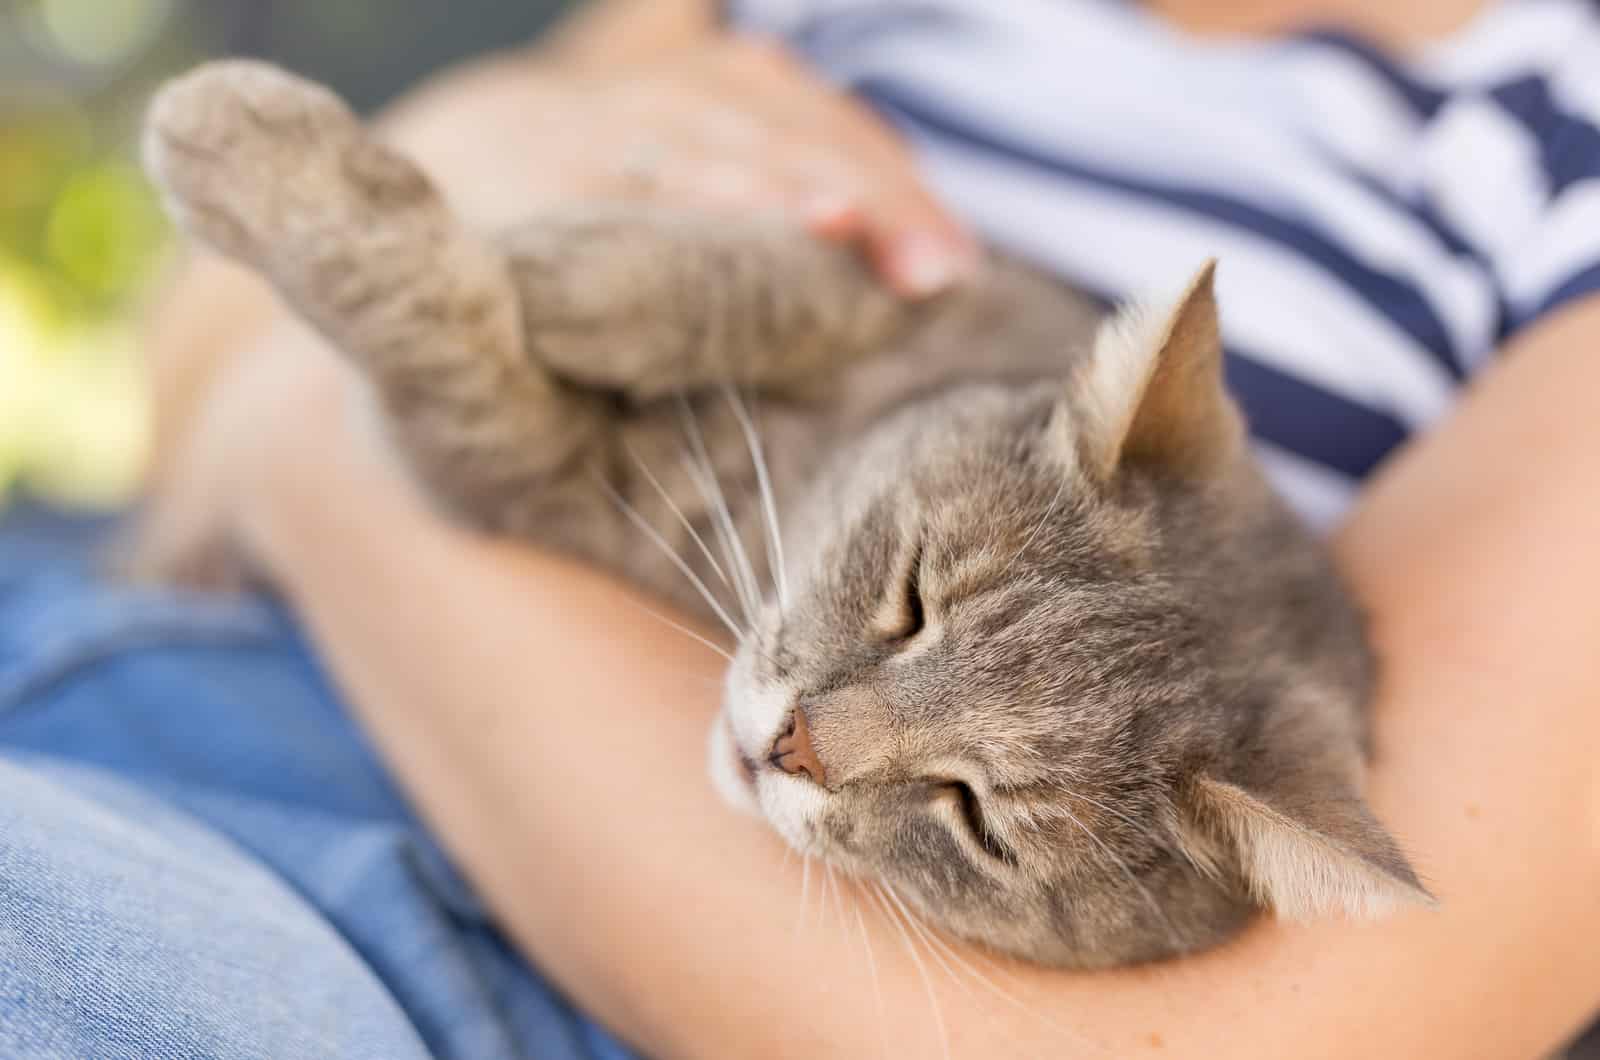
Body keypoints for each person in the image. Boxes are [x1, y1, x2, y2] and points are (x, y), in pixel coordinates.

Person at [6, 0, 1600, 1055]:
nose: (807, 741)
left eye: (974, 805)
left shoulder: (1558, 143)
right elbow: (199, 310)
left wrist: (339, 415)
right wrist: (478, 144)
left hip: (462, 965)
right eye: (907, 609)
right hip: (94, 633)